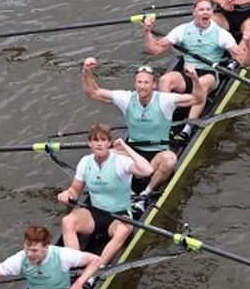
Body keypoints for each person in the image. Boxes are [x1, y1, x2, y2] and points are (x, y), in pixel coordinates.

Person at [81, 57, 206, 193]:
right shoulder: (126, 98)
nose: (142, 86)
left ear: (154, 85)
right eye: (139, 82)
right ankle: (115, 190)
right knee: (100, 154)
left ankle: (146, 194)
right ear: (135, 84)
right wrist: (87, 71)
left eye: (146, 82)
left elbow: (197, 99)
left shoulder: (164, 100)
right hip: (133, 151)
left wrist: (194, 78)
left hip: (157, 153)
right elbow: (94, 93)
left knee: (170, 159)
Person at [142, 0, 250, 119]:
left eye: (208, 9)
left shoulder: (221, 34)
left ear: (212, 12)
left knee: (201, 83)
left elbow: (244, 62)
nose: (205, 12)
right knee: (164, 80)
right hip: (187, 73)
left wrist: (248, 45)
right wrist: (147, 32)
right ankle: (164, 118)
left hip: (209, 74)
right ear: (194, 13)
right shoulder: (182, 30)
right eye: (201, 9)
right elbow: (154, 50)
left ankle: (190, 125)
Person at [58, 124, 153, 266]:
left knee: (123, 230)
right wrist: (67, 194)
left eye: (103, 140)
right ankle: (75, 263)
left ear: (109, 143)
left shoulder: (120, 161)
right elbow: (75, 190)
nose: (99, 144)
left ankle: (97, 267)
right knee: (67, 221)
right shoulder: (85, 162)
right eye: (95, 140)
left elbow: (148, 170)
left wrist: (126, 148)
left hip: (119, 214)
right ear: (90, 143)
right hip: (94, 213)